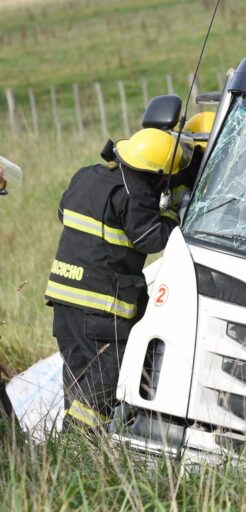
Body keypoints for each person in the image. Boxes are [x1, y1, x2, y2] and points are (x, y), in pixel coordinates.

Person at [44, 128, 194, 430]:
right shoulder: (135, 194)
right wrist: (175, 213)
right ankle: (78, 448)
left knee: (79, 378)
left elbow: (63, 212)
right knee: (104, 380)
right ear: (158, 175)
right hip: (100, 309)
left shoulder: (86, 176)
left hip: (64, 300)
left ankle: (71, 451)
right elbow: (151, 238)